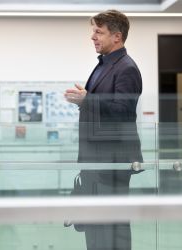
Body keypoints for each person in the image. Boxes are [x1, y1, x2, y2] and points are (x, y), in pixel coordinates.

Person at [64, 10, 143, 250]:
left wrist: (87, 100)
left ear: (117, 36)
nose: (93, 37)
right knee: (95, 225)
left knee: (113, 226)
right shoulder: (103, 65)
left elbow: (123, 111)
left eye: (99, 32)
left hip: (112, 161)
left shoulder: (126, 68)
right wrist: (85, 101)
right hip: (94, 159)